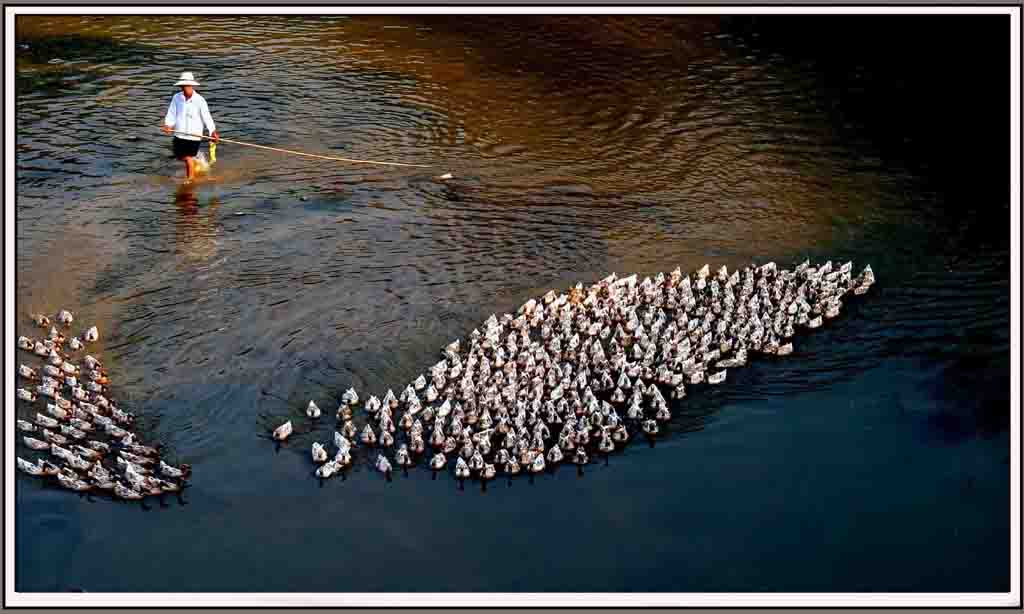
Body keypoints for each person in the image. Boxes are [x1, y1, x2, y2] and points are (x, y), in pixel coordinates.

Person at [161, 71, 219, 182]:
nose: (184, 88)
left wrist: (212, 131)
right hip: (179, 133)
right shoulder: (176, 98)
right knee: (179, 155)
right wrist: (168, 124)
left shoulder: (200, 100)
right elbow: (172, 113)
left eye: (187, 85)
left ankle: (190, 179)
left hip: (194, 135)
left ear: (192, 85)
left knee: (188, 158)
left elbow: (207, 117)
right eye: (183, 86)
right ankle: (197, 162)